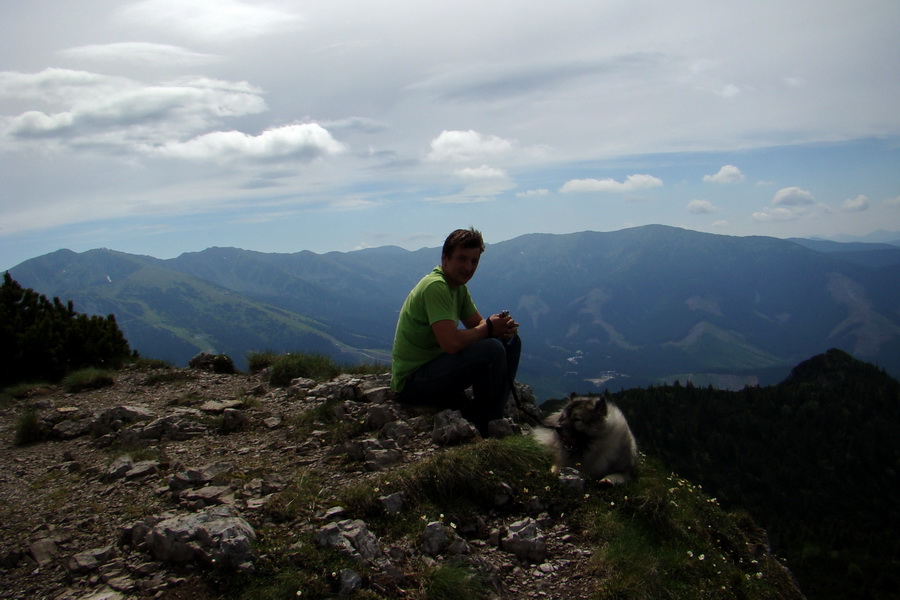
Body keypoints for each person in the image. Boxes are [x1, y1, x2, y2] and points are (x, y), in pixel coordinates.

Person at [391, 227, 521, 436]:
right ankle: (484, 422)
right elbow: (450, 343)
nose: (468, 267)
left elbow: (476, 324)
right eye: (462, 259)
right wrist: (489, 328)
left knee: (511, 342)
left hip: (433, 369)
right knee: (492, 349)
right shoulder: (436, 286)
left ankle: (491, 415)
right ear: (445, 259)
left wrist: (499, 329)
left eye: (474, 261)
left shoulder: (457, 287)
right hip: (413, 381)